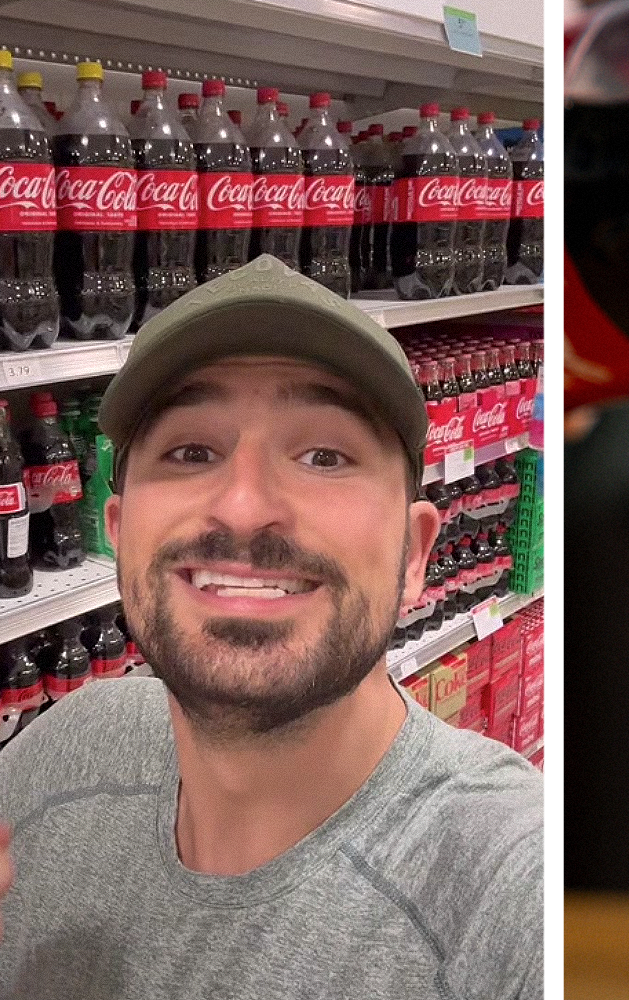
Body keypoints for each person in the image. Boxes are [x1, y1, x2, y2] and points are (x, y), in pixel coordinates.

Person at [0, 257, 542, 997]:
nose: (245, 506)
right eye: (192, 451)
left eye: (325, 455)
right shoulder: (63, 752)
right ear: (119, 535)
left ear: (415, 555)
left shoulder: (508, 890)